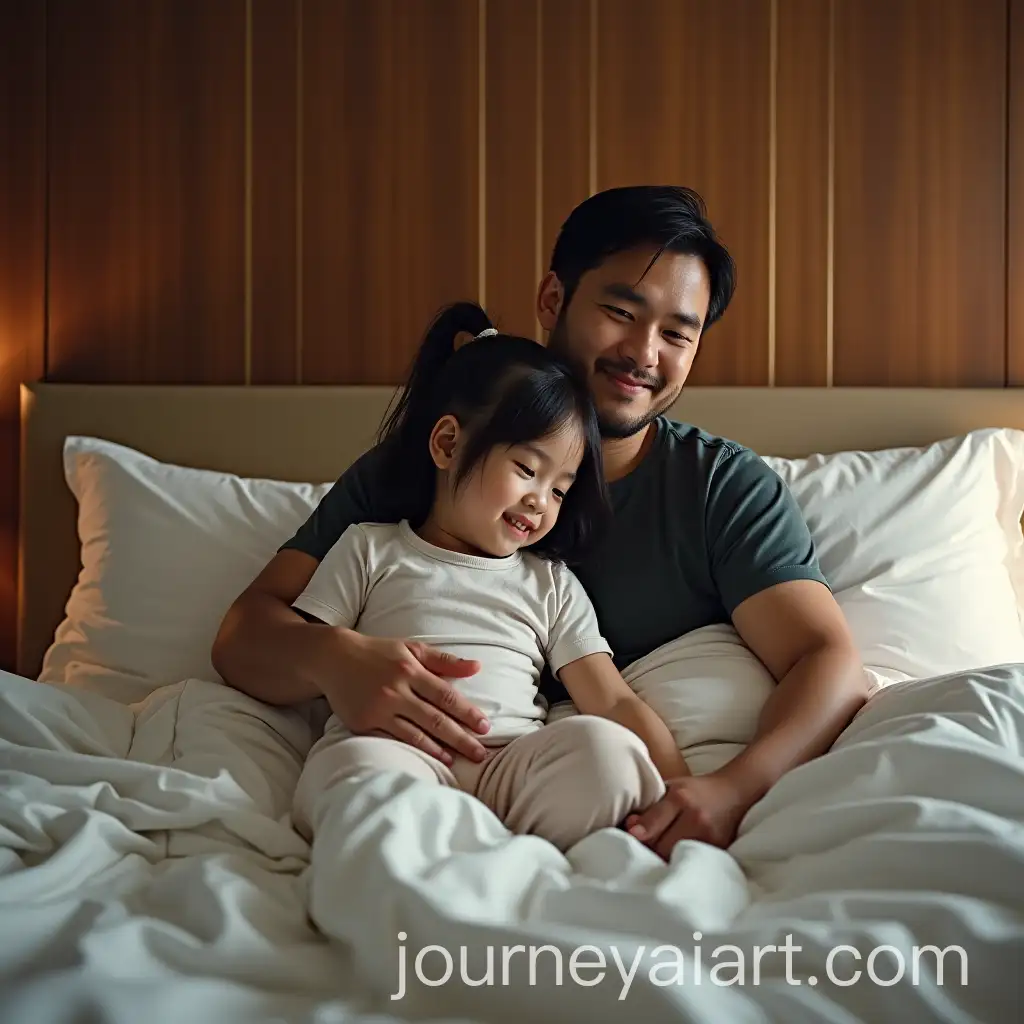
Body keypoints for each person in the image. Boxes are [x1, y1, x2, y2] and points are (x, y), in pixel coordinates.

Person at [212, 185, 871, 859]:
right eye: (621, 311)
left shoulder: (718, 489)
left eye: (678, 333)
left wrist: (730, 791)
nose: (644, 353)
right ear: (553, 301)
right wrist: (333, 660)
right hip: (408, 767)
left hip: (563, 788)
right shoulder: (428, 466)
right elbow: (245, 634)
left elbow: (829, 661)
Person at [287, 303, 686, 851]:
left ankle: (508, 862)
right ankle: (426, 868)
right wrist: (331, 664)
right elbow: (293, 654)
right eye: (527, 469)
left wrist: (682, 788)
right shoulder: (369, 549)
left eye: (560, 489)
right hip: (400, 753)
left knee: (606, 753)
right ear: (448, 444)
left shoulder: (550, 582)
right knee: (352, 769)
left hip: (512, 768)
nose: (540, 501)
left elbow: (613, 701)